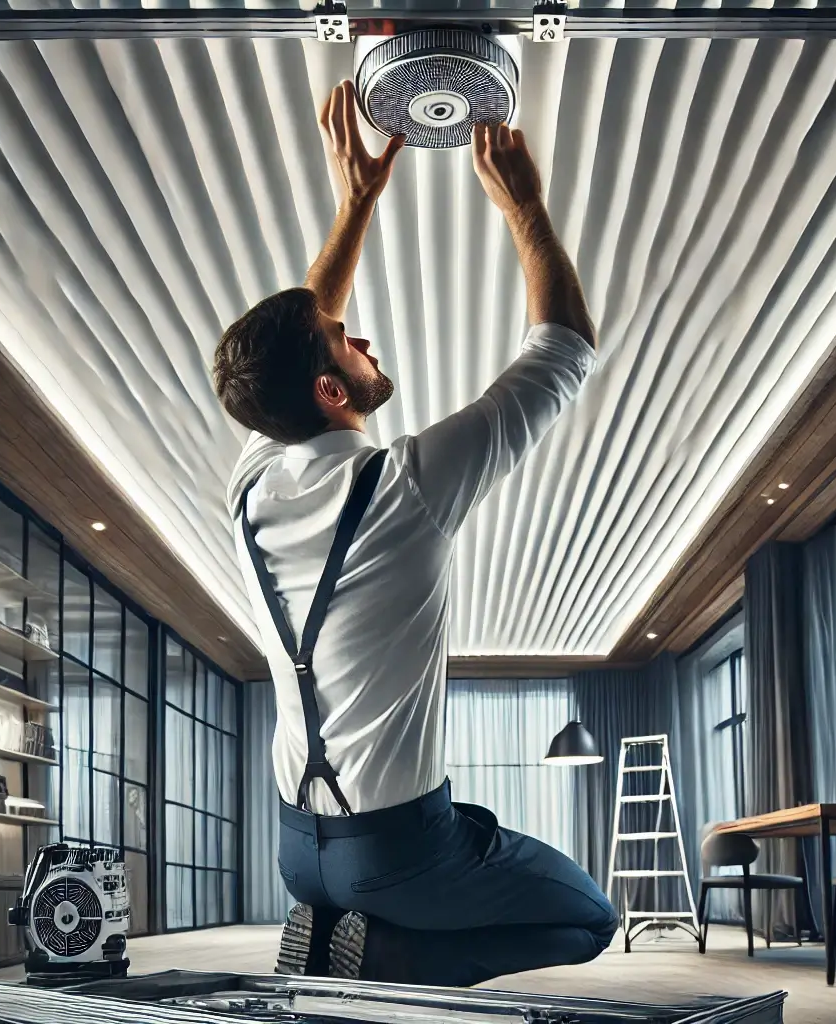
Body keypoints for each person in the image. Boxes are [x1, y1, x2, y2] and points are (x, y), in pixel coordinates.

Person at [213, 80, 616, 987]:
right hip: (394, 852)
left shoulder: (249, 484)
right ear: (329, 391)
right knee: (590, 917)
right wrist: (526, 206)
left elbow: (298, 338)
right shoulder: (406, 488)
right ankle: (387, 952)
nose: (365, 341)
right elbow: (565, 348)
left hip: (300, 851)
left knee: (464, 835)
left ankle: (335, 935)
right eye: (348, 342)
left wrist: (356, 202)